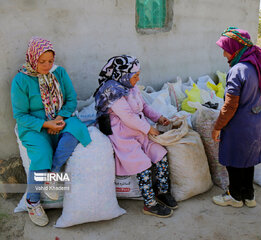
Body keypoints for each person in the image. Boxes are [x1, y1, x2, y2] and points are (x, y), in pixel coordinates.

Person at [11, 37, 91, 226]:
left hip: (60, 117)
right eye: (42, 61)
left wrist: (60, 118)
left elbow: (71, 99)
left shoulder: (59, 73)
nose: (47, 66)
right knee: (42, 153)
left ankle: (51, 176)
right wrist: (47, 125)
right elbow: (21, 115)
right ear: (32, 58)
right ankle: (32, 201)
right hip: (34, 125)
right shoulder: (21, 80)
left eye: (50, 61)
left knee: (76, 131)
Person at [93, 55, 178, 218]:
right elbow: (127, 117)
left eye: (138, 74)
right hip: (123, 134)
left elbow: (143, 106)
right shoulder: (113, 91)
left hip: (139, 130)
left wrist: (158, 118)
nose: (138, 79)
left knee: (161, 155)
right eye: (135, 76)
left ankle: (162, 192)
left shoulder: (130, 86)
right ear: (123, 74)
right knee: (143, 164)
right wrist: (149, 129)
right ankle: (149, 204)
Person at [211, 27, 261, 208]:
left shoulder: (238, 70)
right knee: (248, 159)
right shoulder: (259, 65)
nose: (224, 54)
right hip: (255, 123)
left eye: (225, 49)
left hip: (239, 125)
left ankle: (235, 196)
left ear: (235, 49)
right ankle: (248, 195)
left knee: (234, 160)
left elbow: (230, 106)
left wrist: (218, 126)